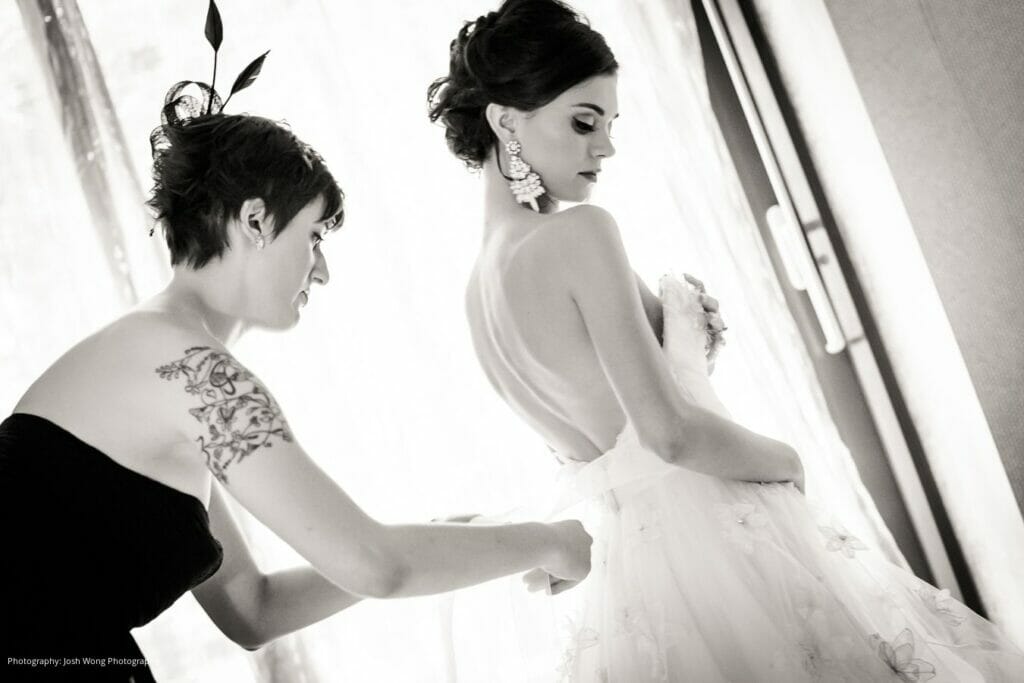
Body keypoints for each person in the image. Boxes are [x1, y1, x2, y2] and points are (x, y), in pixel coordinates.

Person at [427, 0, 1024, 680]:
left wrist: (681, 351)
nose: (607, 146)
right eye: (584, 122)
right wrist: (787, 460)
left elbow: (606, 442)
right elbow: (668, 435)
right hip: (721, 538)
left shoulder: (476, 299)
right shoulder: (579, 233)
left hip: (640, 581)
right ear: (506, 121)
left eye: (612, 124)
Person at [0, 72, 593, 683]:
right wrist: (550, 542)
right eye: (314, 236)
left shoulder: (154, 361)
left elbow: (253, 609)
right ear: (255, 220)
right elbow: (376, 566)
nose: (323, 271)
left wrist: (439, 538)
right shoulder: (195, 373)